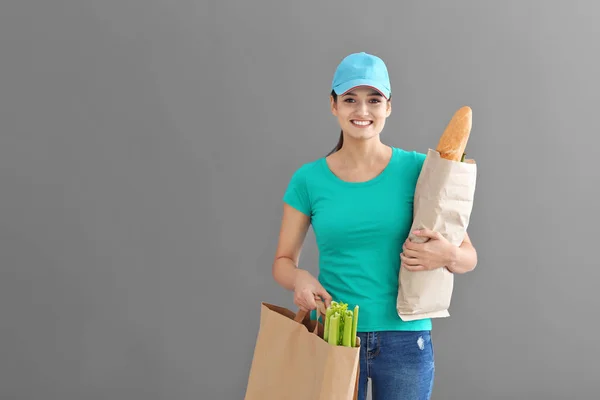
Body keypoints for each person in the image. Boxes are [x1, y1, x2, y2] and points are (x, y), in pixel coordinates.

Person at [271, 52, 478, 400]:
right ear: (334, 105)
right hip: (334, 337)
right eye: (350, 99)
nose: (362, 111)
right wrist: (300, 278)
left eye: (374, 100)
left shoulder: (419, 170)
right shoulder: (308, 180)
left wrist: (446, 254)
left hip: (405, 339)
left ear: (389, 106)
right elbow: (282, 262)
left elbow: (468, 257)